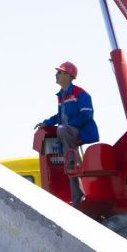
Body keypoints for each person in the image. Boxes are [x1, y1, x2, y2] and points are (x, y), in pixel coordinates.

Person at [34, 62, 99, 206]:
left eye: (59, 72)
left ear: (69, 76)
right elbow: (60, 116)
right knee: (70, 170)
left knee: (62, 130)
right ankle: (77, 196)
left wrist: (68, 125)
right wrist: (46, 122)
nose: (56, 75)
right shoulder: (61, 96)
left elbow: (87, 115)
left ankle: (73, 160)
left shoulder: (80, 94)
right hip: (68, 131)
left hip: (80, 131)